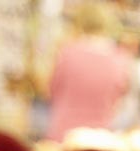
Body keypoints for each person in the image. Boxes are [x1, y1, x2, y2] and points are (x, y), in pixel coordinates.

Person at [43, 2, 133, 141]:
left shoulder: (67, 53)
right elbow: (120, 99)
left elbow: (50, 91)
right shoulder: (120, 58)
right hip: (101, 137)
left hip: (64, 135)